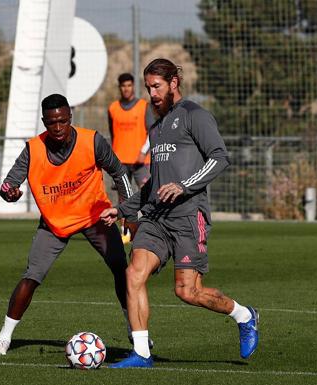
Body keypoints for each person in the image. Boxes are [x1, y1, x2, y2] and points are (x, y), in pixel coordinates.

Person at [101, 58, 259, 368]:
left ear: (174, 83)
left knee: (188, 291)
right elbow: (153, 187)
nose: (152, 94)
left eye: (157, 87)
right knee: (133, 274)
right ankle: (142, 354)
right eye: (149, 88)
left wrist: (185, 186)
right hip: (156, 219)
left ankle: (245, 315)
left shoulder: (195, 115)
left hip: (189, 216)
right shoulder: (157, 127)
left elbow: (220, 158)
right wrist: (122, 208)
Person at [0, 93, 135, 355]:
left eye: (62, 121)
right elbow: (8, 184)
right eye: (51, 122)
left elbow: (120, 172)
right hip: (55, 222)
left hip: (95, 216)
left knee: (120, 268)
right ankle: (3, 337)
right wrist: (9, 191)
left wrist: (129, 213)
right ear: (44, 121)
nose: (57, 128)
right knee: (31, 276)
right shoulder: (33, 149)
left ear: (70, 118)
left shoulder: (92, 141)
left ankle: (133, 329)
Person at [108, 73, 155, 243]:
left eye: (129, 85)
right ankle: (125, 231)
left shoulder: (144, 106)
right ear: (119, 87)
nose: (126, 89)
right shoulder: (113, 108)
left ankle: (151, 227)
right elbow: (113, 135)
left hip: (141, 160)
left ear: (133, 86)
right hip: (120, 161)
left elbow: (152, 132)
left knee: (148, 192)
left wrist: (143, 151)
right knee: (123, 198)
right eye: (123, 86)